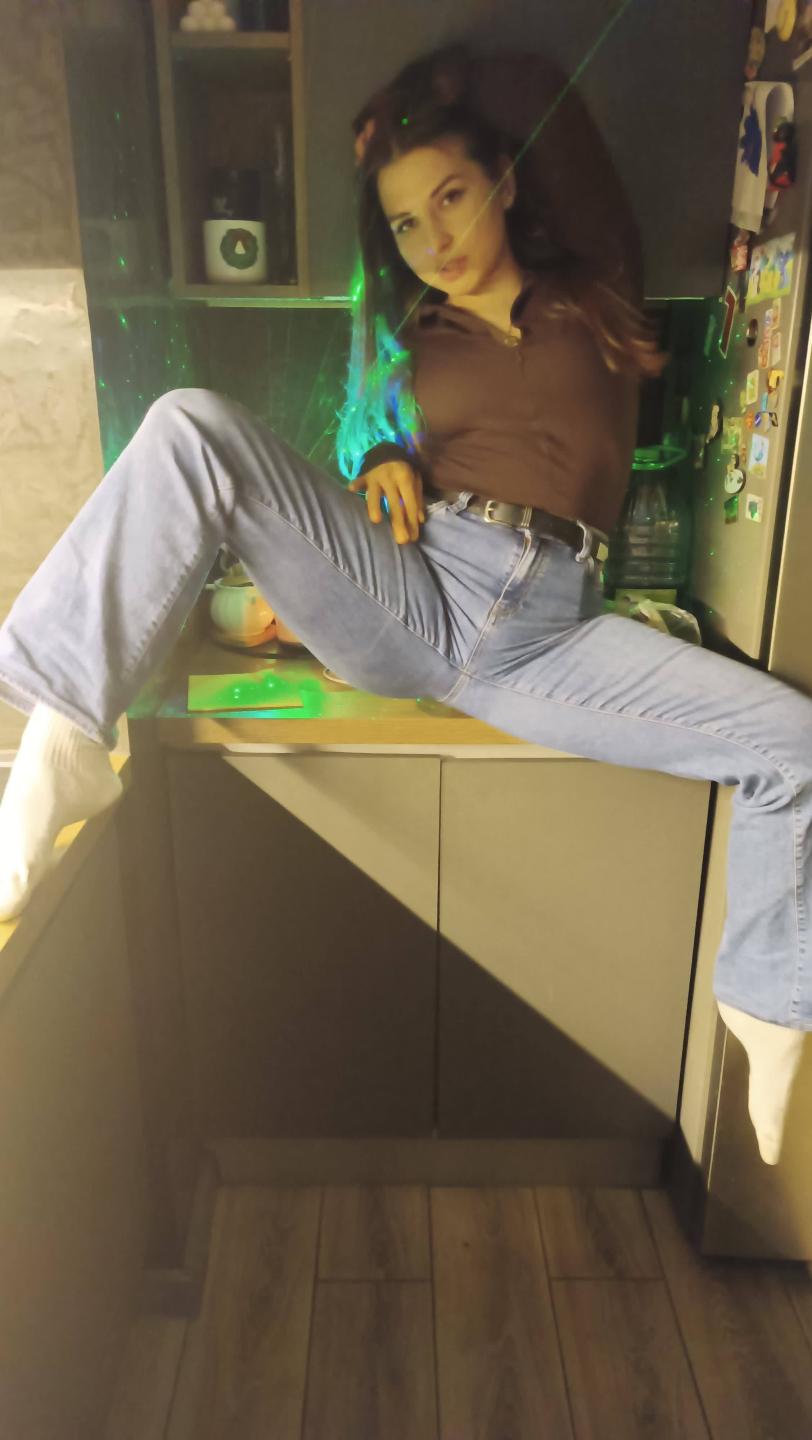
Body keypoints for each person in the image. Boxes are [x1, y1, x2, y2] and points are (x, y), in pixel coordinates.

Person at [0, 42, 810, 1166]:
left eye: (451, 196)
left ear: (505, 183)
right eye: (404, 222)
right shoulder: (409, 338)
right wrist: (385, 455)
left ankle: (767, 1003)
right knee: (189, 427)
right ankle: (63, 727)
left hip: (550, 637)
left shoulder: (596, 292)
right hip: (416, 592)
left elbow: (550, 101)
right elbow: (363, 445)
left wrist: (418, 95)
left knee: (791, 742)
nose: (434, 237)